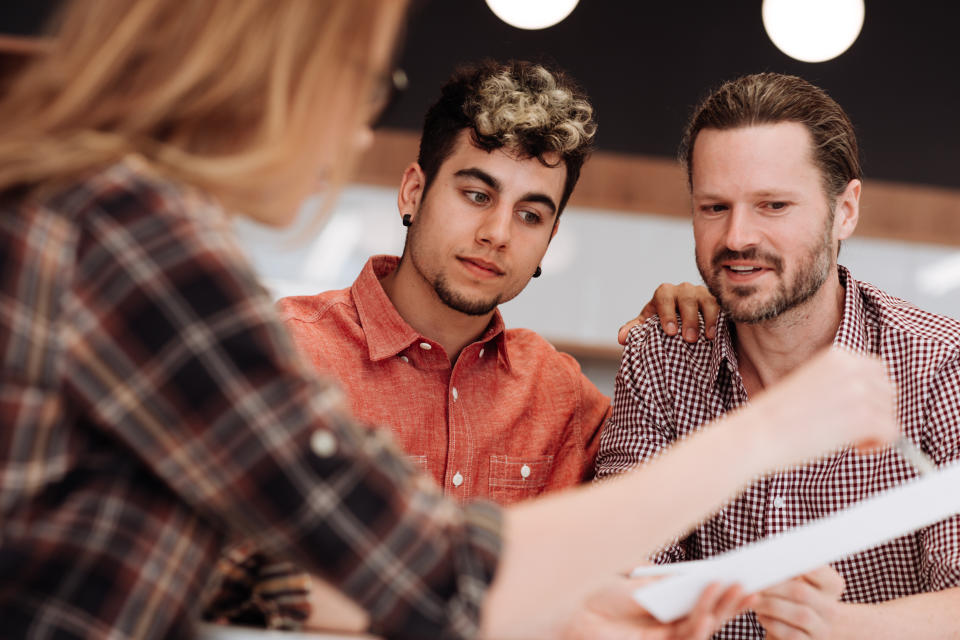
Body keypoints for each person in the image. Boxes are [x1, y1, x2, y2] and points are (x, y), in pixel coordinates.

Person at [0, 2, 897, 636]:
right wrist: (772, 429)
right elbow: (428, 571)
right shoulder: (136, 245)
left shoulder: (74, 221)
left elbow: (248, 579)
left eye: (534, 212)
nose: (354, 130)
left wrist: (576, 613)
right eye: (362, 83)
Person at [205, 59, 721, 630]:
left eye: (530, 215)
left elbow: (641, 538)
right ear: (413, 191)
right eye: (477, 194)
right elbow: (213, 569)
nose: (498, 233)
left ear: (548, 241)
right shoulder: (284, 351)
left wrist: (683, 338)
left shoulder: (561, 395)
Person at [595, 72, 960, 639]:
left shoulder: (940, 364)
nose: (738, 236)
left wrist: (838, 627)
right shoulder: (661, 358)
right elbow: (616, 568)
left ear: (845, 211)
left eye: (773, 205)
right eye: (715, 207)